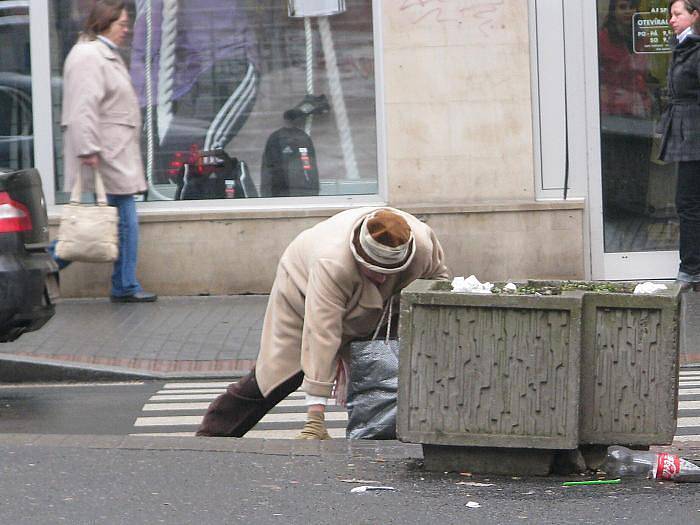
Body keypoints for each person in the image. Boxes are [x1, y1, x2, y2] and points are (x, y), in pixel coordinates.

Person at [196, 207, 450, 439]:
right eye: (373, 269)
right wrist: (315, 419)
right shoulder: (332, 261)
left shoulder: (422, 245)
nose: (382, 278)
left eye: (389, 270)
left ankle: (388, 433)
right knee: (281, 374)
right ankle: (214, 434)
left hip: (385, 309)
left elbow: (436, 290)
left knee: (389, 365)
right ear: (358, 254)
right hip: (303, 290)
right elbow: (322, 333)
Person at [57, 0, 157, 303]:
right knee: (123, 218)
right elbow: (82, 106)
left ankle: (123, 283)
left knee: (119, 217)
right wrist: (87, 148)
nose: (127, 31)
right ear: (104, 23)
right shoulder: (90, 56)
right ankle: (121, 284)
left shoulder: (101, 53)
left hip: (113, 148)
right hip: (106, 150)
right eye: (122, 25)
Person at [129, 0, 259, 186]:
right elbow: (147, 44)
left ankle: (209, 204)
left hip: (226, 65)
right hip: (186, 81)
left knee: (205, 150)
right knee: (169, 158)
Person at [658, 0, 700, 287]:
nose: (671, 19)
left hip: (694, 132)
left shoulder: (694, 49)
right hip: (687, 129)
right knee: (688, 201)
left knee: (687, 202)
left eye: (677, 14)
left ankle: (691, 268)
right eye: (670, 15)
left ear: (694, 15)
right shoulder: (683, 46)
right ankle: (692, 266)